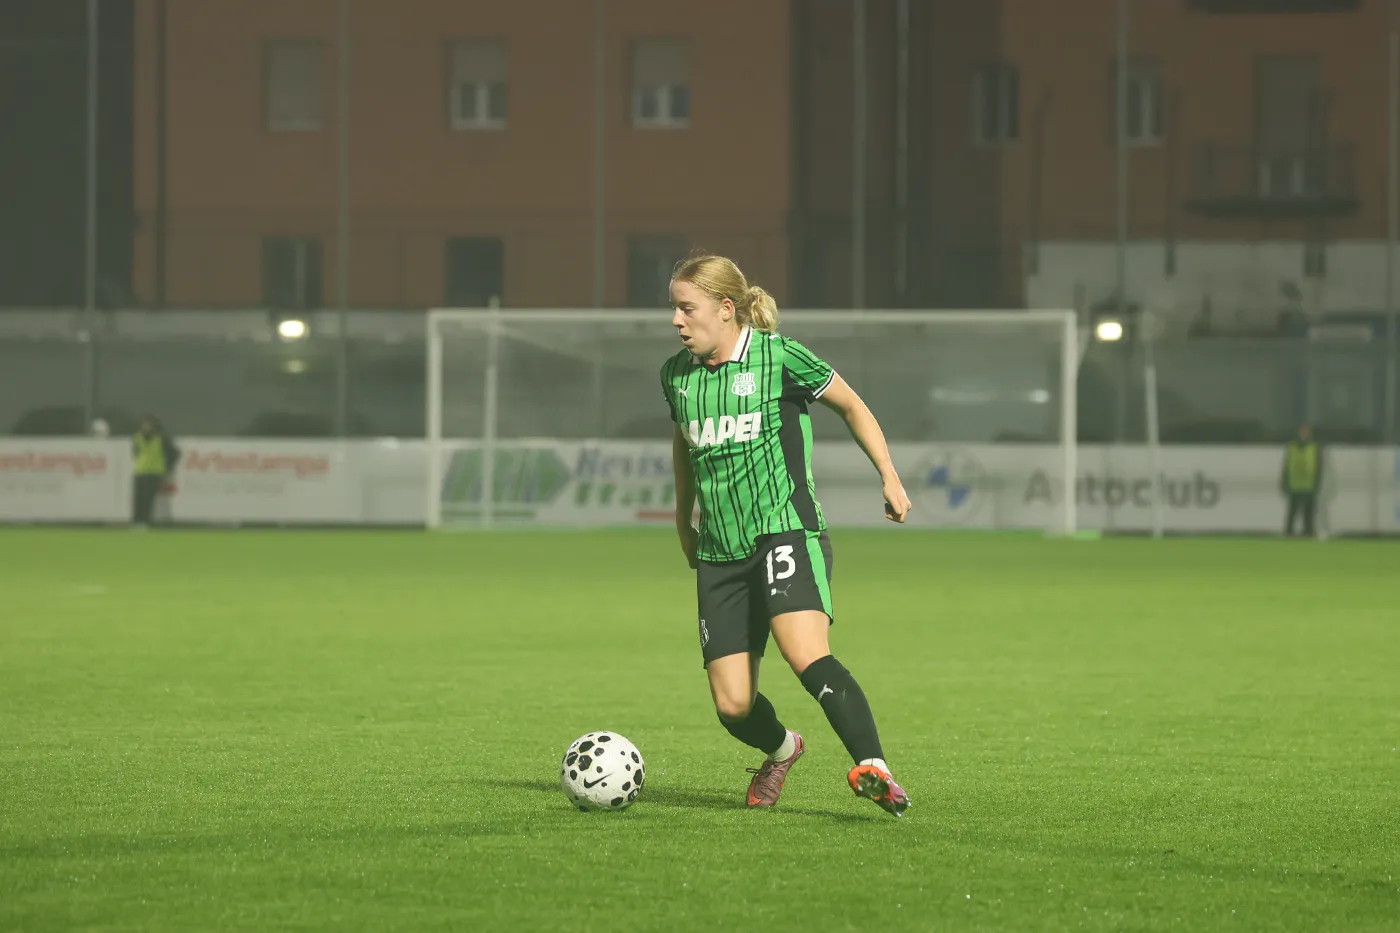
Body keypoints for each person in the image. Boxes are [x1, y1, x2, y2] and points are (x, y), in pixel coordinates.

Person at [660, 254, 914, 817]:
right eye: (674, 308)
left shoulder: (778, 357)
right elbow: (684, 444)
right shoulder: (676, 375)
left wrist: (889, 475)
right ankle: (783, 749)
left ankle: (873, 767)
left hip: (785, 531)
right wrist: (683, 517)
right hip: (720, 551)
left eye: (686, 308)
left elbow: (850, 404)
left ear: (725, 309)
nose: (676, 321)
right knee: (733, 705)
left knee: (806, 655)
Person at [132, 415, 180, 527]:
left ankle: (145, 521)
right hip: (140, 471)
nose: (145, 427)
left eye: (148, 424)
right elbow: (136, 452)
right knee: (138, 498)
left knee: (148, 499)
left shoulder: (161, 439)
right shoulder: (137, 437)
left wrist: (167, 468)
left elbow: (174, 453)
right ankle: (136, 521)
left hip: (154, 472)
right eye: (144, 424)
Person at [1281, 423, 1322, 538]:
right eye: (1302, 432)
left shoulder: (1314, 447)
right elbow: (1286, 466)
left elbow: (1318, 467)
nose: (1304, 435)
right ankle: (1288, 533)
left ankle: (1308, 533)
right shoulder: (1291, 447)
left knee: (1308, 514)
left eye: (1306, 432)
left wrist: (1317, 483)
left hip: (1309, 486)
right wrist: (1284, 482)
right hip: (1295, 486)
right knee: (1292, 513)